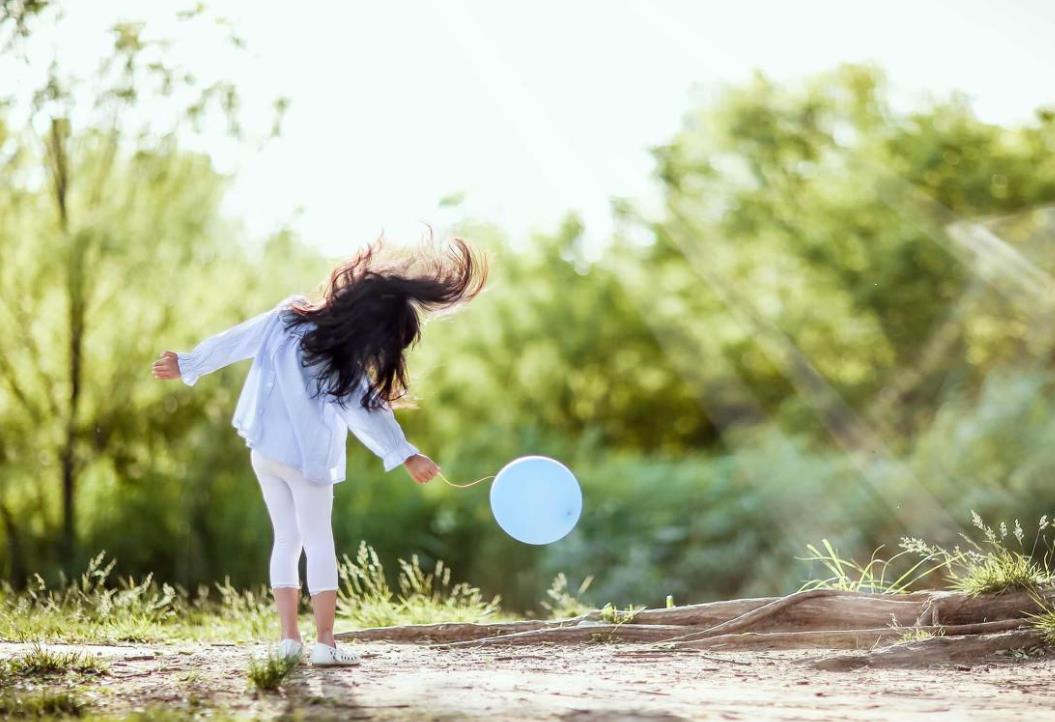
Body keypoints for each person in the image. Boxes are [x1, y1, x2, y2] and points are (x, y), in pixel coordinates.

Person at [152, 237, 486, 666]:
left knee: (286, 540)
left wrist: (190, 363)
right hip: (307, 463)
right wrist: (406, 454)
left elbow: (237, 340)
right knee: (318, 541)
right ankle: (325, 643)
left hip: (265, 453)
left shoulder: (287, 318)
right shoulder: (341, 360)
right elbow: (369, 414)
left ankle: (289, 640)